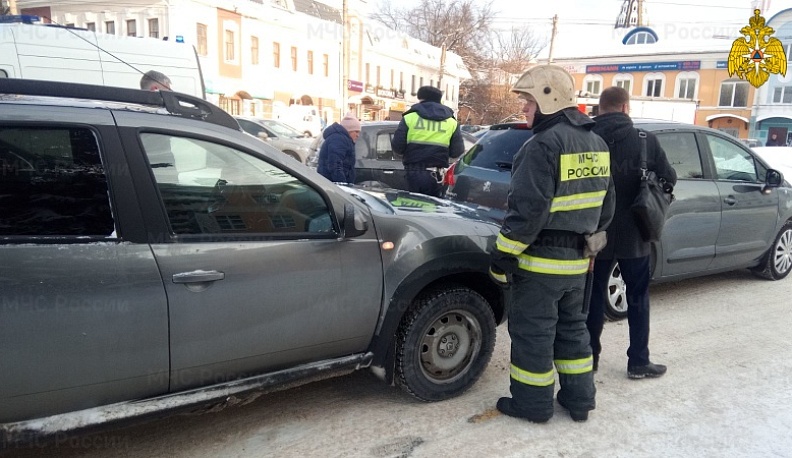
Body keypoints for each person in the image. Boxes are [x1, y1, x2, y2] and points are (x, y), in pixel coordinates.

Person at [491, 65, 615, 423]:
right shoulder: (597, 143)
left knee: (533, 335)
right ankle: (579, 401)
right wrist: (589, 248)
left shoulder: (542, 145)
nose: (524, 110)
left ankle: (532, 405)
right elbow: (608, 208)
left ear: (549, 99)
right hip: (577, 264)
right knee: (573, 331)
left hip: (539, 266)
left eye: (528, 102)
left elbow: (527, 213)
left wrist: (501, 257)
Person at [585, 86, 677, 379]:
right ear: (625, 108)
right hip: (635, 233)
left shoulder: (587, 139)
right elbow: (670, 177)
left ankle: (589, 358)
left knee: (593, 296)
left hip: (593, 232)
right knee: (637, 297)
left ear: (600, 108)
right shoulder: (644, 141)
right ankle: (638, 361)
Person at [391, 86, 464, 197]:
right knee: (432, 210)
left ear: (421, 99)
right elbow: (457, 151)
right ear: (439, 99)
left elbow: (397, 147)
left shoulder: (410, 117)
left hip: (412, 172)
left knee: (412, 208)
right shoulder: (451, 122)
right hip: (436, 175)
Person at [316, 112, 360, 183]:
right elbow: (335, 165)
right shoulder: (338, 139)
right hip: (332, 184)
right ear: (349, 130)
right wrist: (342, 185)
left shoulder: (342, 139)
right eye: (356, 131)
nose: (358, 135)